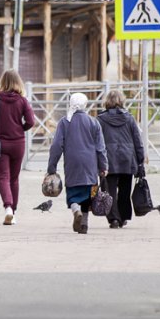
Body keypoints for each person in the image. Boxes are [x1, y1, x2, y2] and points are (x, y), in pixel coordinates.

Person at [47, 93, 108, 234]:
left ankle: (75, 210)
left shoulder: (64, 122)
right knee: (88, 194)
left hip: (72, 163)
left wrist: (52, 167)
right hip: (90, 165)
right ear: (85, 105)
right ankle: (84, 224)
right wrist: (103, 166)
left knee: (73, 193)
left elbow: (56, 146)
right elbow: (101, 148)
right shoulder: (94, 122)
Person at [0, 69, 35, 225]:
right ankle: (14, 211)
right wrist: (21, 129)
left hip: (0, 143)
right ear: (18, 82)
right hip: (18, 143)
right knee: (14, 178)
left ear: (2, 82)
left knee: (3, 177)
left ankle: (8, 208)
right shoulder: (22, 100)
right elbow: (31, 121)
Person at [97, 90, 145, 229]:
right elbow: (138, 140)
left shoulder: (100, 120)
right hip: (127, 159)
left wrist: (97, 161)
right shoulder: (129, 118)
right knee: (125, 190)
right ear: (122, 101)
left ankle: (113, 219)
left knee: (109, 190)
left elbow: (97, 142)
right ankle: (123, 216)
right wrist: (140, 159)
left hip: (108, 160)